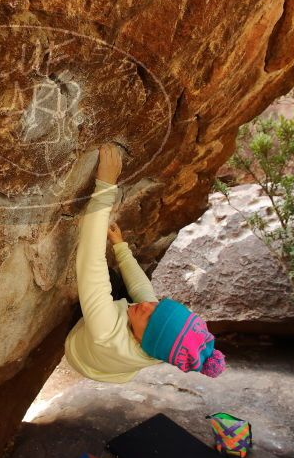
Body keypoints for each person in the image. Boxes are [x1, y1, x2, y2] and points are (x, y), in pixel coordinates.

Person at [64, 144, 226, 383]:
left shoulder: (106, 333)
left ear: (145, 341)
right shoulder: (161, 345)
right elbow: (142, 292)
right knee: (129, 291)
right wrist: (121, 247)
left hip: (81, 351)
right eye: (159, 306)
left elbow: (91, 262)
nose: (148, 307)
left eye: (151, 318)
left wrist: (106, 185)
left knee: (105, 279)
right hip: (116, 366)